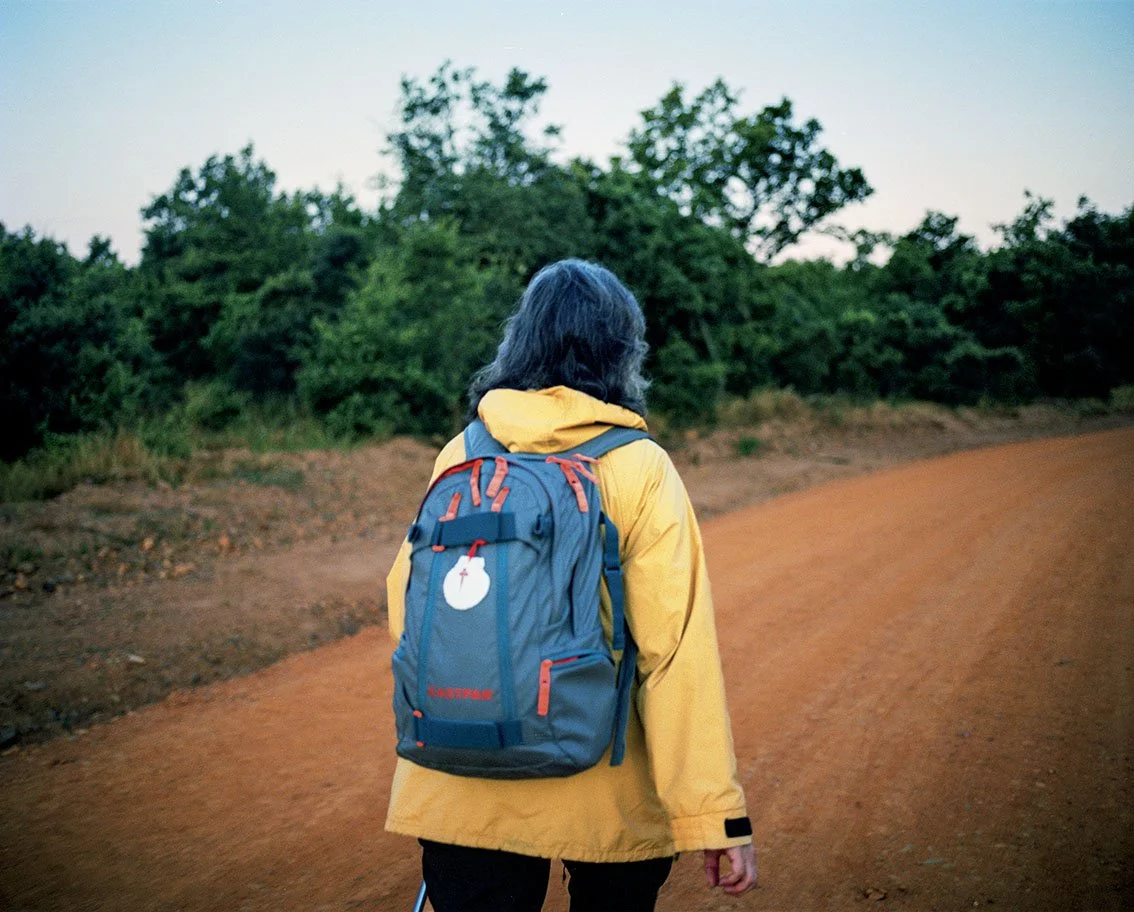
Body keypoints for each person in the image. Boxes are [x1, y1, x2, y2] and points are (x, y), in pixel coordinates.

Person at [385, 259, 757, 911]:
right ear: (623, 353)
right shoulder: (639, 468)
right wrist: (712, 815)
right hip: (602, 780)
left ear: (520, 340)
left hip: (465, 771)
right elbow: (675, 656)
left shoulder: (462, 456)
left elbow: (409, 610)